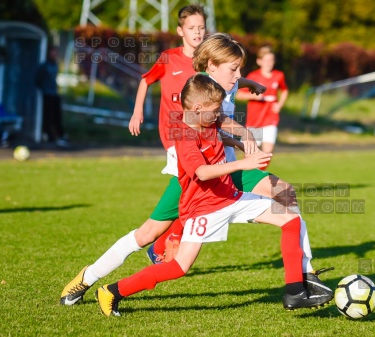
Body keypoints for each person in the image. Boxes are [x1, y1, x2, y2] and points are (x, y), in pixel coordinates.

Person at [60, 22, 331, 306]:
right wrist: (242, 137)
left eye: (240, 70)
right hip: (193, 177)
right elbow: (202, 127)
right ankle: (87, 278)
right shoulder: (198, 89)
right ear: (211, 66)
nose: (238, 76)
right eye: (234, 70)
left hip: (226, 174)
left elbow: (223, 113)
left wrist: (245, 121)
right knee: (146, 234)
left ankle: (304, 276)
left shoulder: (222, 81)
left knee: (284, 193)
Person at [95, 74, 332, 316]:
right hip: (203, 209)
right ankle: (112, 291)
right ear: (197, 108)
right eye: (215, 109)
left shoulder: (207, 120)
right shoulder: (184, 135)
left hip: (230, 196)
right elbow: (202, 171)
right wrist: (243, 164)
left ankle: (295, 291)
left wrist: (241, 142)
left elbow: (222, 131)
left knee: (291, 220)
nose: (219, 114)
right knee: (179, 267)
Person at [236, 46, 288, 165]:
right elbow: (239, 95)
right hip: (254, 122)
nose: (269, 63)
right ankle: (247, 179)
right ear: (259, 61)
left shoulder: (279, 75)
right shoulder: (253, 77)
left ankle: (258, 178)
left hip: (270, 120)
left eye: (271, 60)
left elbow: (285, 90)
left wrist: (279, 105)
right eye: (266, 60)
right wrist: (254, 96)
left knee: (267, 153)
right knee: (250, 155)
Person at [35, 46, 69, 148]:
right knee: (48, 116)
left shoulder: (55, 65)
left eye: (56, 52)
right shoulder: (44, 66)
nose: (55, 54)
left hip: (54, 94)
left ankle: (61, 135)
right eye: (53, 52)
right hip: (47, 94)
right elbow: (37, 80)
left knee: (57, 115)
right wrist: (43, 88)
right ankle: (49, 135)